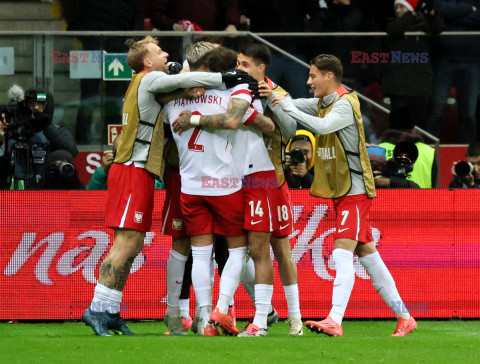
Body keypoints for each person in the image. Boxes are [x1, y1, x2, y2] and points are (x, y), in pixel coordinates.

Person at [82, 36, 260, 336]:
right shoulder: (149, 78)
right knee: (125, 243)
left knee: (136, 243)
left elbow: (179, 88)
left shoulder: (152, 86)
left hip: (147, 171)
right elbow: (192, 79)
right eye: (159, 51)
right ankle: (97, 308)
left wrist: (187, 89)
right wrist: (226, 77)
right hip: (133, 168)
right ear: (148, 62)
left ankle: (111, 308)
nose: (167, 53)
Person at [270, 54, 417, 337]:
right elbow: (293, 104)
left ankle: (335, 318)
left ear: (329, 76)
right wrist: (272, 93)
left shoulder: (346, 104)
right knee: (369, 257)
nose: (308, 81)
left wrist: (287, 106)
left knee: (340, 252)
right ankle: (405, 316)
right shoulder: (324, 102)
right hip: (343, 191)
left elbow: (321, 126)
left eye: (313, 76)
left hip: (355, 192)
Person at [166, 46, 275, 336]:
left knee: (200, 256)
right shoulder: (233, 92)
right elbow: (261, 124)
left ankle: (203, 321)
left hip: (190, 187)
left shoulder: (172, 101)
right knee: (238, 251)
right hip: (226, 184)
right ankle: (222, 310)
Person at [236, 42, 303, 335]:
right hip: (236, 181)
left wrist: (274, 100)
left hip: (270, 182)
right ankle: (261, 315)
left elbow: (291, 131)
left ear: (261, 68)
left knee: (279, 248)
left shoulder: (280, 93)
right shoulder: (232, 88)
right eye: (237, 63)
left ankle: (295, 318)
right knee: (243, 250)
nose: (239, 69)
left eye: (245, 65)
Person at [61, 0, 145, 144]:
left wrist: (134, 37)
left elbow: (138, 15)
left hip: (117, 48)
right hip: (94, 46)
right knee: (90, 97)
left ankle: (110, 140)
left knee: (113, 98)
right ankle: (84, 141)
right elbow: (72, 10)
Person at [382, 0, 444, 130]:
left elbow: (438, 27)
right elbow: (396, 29)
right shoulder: (393, 23)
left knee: (419, 124)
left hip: (419, 83)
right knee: (398, 125)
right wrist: (412, 13)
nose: (398, 10)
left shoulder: (423, 24)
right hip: (398, 84)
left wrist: (431, 13)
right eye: (396, 7)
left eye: (402, 7)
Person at [425, 0, 480, 142]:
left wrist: (452, 16)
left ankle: (468, 158)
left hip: (472, 61)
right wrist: (470, 8)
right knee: (436, 112)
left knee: (468, 114)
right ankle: (430, 154)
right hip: (444, 59)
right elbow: (440, 11)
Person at [4, 86, 78, 189]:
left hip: (47, 189)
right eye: (30, 104)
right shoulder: (16, 132)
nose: (34, 108)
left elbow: (72, 151)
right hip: (18, 190)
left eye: (40, 105)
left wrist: (46, 126)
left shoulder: (58, 131)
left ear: (48, 107)